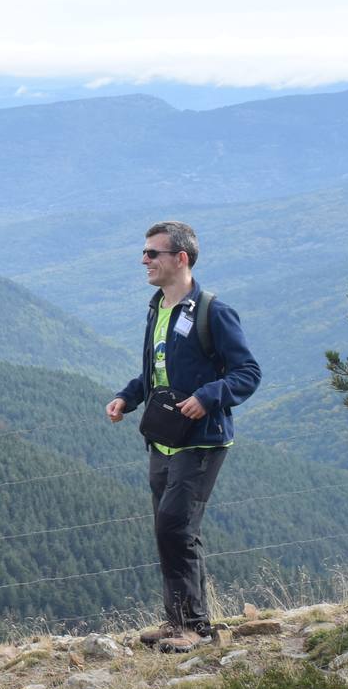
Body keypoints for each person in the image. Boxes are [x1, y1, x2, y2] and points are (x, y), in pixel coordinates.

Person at [104, 221, 261, 652]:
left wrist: (209, 396)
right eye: (145, 253)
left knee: (175, 525)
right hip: (163, 438)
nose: (144, 260)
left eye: (153, 253)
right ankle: (179, 622)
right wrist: (127, 397)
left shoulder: (214, 311)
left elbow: (248, 373)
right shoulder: (157, 310)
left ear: (181, 259)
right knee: (170, 529)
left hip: (203, 440)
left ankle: (194, 627)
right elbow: (156, 371)